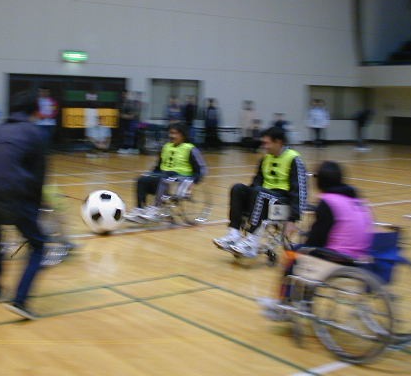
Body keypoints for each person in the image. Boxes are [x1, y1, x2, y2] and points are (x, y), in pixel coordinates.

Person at [259, 161, 374, 320]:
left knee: (295, 254)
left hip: (339, 259)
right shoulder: (357, 200)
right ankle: (303, 301)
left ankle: (285, 304)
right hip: (361, 258)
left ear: (319, 182)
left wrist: (302, 246)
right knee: (308, 252)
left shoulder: (328, 202)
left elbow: (317, 239)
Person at [0, 90, 48, 320]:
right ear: (35, 111)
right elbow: (39, 177)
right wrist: (35, 211)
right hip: (14, 196)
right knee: (38, 246)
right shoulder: (34, 133)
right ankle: (20, 301)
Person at [213, 126, 308, 257]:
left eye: (267, 143)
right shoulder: (265, 159)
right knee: (238, 188)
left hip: (282, 203)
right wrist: (245, 198)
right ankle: (233, 234)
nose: (264, 146)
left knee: (259, 192)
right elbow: (256, 183)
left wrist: (293, 219)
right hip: (263, 196)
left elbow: (300, 191)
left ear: (278, 142)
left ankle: (252, 241)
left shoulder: (294, 159)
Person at [126, 122, 207, 222]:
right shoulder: (166, 147)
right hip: (165, 175)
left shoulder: (190, 149)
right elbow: (158, 166)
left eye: (175, 133)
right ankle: (140, 210)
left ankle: (156, 208)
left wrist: (194, 181)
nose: (172, 136)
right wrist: (150, 175)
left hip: (180, 178)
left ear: (183, 135)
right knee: (142, 179)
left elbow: (201, 168)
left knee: (164, 179)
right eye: (171, 133)